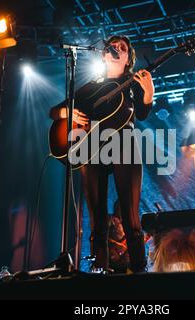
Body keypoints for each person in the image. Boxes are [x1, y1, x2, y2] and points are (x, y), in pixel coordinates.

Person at [49, 35, 155, 273]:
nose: (116, 49)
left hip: (123, 145)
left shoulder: (133, 82)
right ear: (104, 54)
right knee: (97, 221)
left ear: (128, 59)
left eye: (122, 48)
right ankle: (100, 274)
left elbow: (144, 112)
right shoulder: (91, 87)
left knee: (130, 217)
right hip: (92, 149)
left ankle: (139, 272)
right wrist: (68, 113)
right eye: (112, 46)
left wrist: (148, 92)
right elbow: (54, 111)